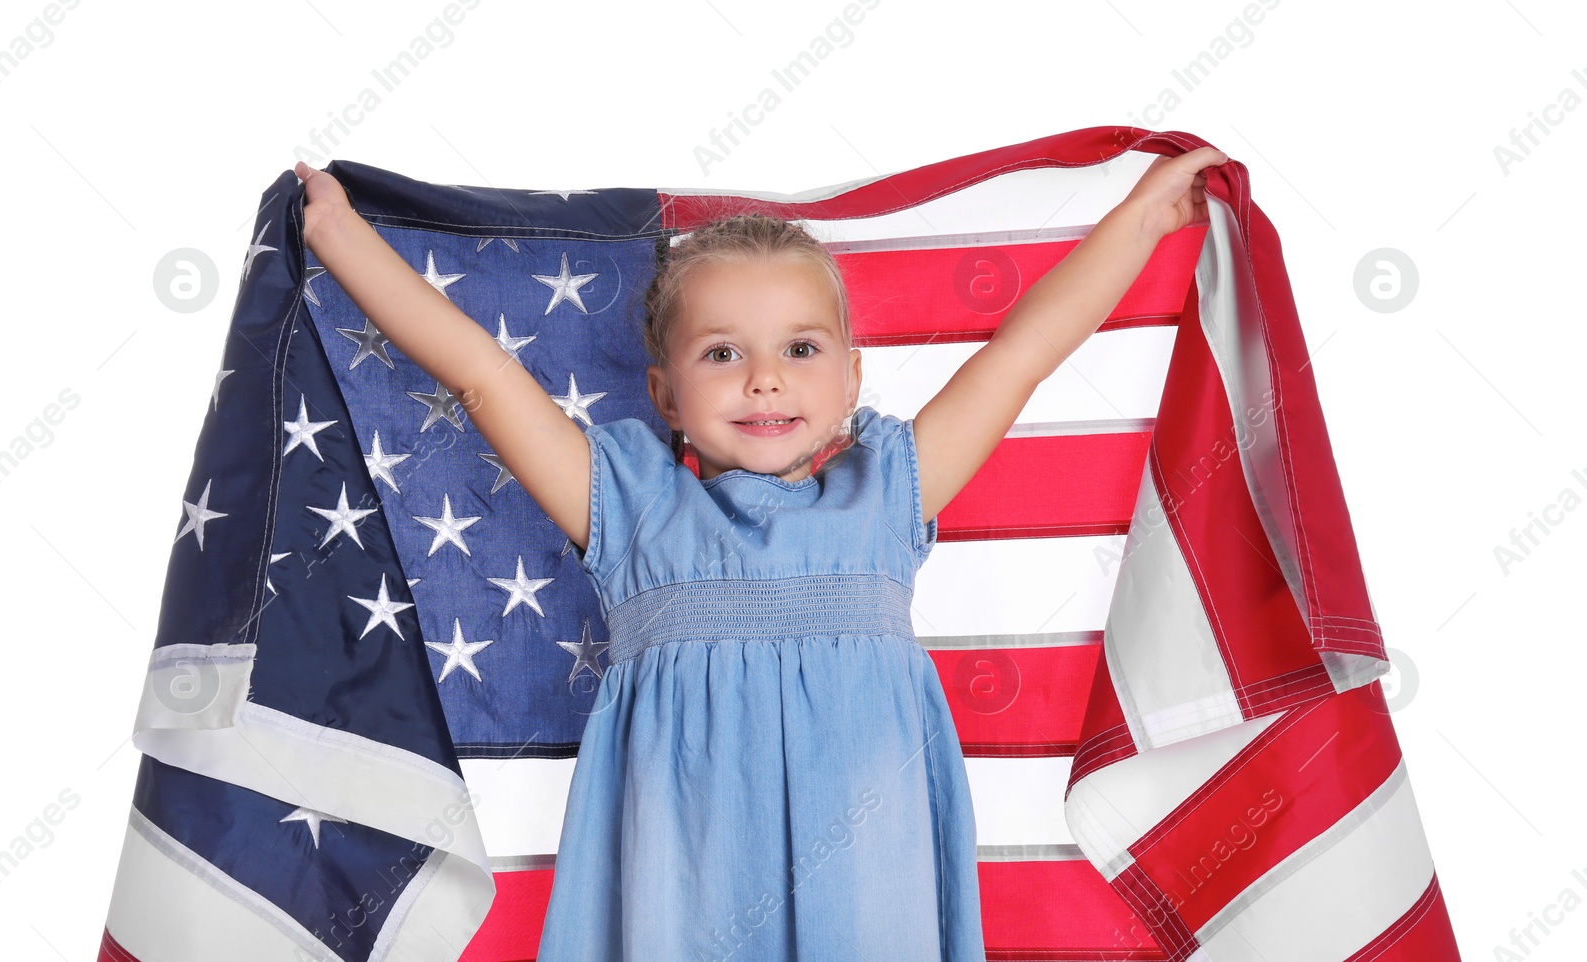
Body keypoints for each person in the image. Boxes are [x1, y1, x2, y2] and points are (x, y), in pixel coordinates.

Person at [295, 143, 1227, 962]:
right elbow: (481, 375)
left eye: (801, 347)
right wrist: (340, 239)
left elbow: (1022, 352)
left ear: (854, 375)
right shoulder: (622, 500)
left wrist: (1141, 219)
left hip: (868, 860)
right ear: (663, 395)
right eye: (722, 354)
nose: (766, 376)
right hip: (685, 862)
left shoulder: (890, 489)